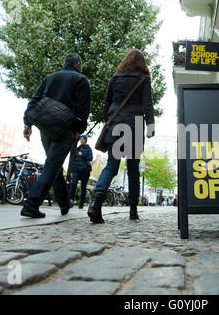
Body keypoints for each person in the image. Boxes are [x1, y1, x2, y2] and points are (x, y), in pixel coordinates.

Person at [88, 49, 155, 223]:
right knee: (133, 168)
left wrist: (108, 121)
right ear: (142, 63)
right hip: (134, 125)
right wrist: (150, 126)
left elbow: (107, 103)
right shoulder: (144, 79)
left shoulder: (115, 77)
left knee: (111, 165)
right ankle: (133, 210)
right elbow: (147, 103)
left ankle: (96, 202)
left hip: (115, 124)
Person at [21, 54, 90, 218]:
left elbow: (34, 101)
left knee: (55, 165)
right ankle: (31, 205)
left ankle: (64, 203)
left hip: (45, 128)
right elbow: (83, 109)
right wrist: (79, 129)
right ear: (78, 64)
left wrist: (27, 123)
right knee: (52, 165)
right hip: (66, 129)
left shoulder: (49, 78)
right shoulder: (81, 80)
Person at [69, 134, 93, 209]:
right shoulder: (77, 149)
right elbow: (74, 161)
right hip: (76, 170)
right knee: (73, 184)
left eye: (83, 139)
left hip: (85, 171)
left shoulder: (88, 148)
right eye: (80, 139)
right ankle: (70, 200)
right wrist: (71, 171)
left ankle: (81, 203)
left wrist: (82, 154)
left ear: (85, 140)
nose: (81, 140)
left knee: (83, 187)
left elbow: (90, 158)